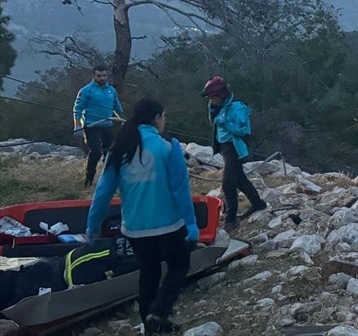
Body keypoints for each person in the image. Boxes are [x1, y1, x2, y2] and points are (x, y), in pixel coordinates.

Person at [85, 98, 198, 335]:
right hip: (169, 224)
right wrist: (191, 224)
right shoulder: (168, 147)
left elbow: (102, 193)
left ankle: (151, 326)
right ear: (156, 118)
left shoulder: (119, 150)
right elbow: (180, 190)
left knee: (149, 271)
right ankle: (160, 311)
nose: (164, 121)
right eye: (163, 117)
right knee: (179, 265)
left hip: (135, 228)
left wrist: (92, 226)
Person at [201, 77, 266, 232]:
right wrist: (214, 112)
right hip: (224, 147)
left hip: (234, 148)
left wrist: (227, 124)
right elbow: (216, 124)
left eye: (213, 97)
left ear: (222, 95)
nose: (211, 100)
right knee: (240, 179)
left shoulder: (237, 107)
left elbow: (244, 131)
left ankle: (231, 219)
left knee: (228, 184)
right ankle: (257, 203)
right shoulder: (218, 108)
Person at [74, 64, 125, 187]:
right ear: (94, 76)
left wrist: (124, 120)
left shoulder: (111, 90)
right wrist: (77, 125)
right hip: (92, 126)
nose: (102, 78)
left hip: (107, 125)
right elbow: (78, 109)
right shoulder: (86, 90)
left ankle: (109, 179)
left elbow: (116, 106)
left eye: (104, 75)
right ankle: (89, 178)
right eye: (99, 76)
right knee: (96, 152)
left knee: (110, 153)